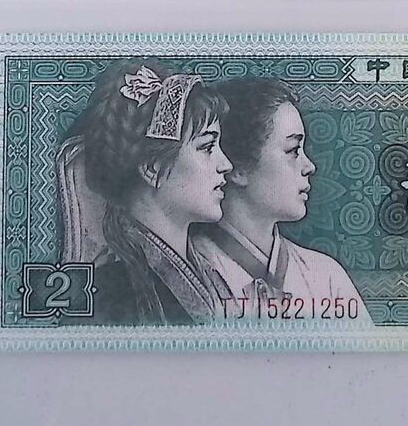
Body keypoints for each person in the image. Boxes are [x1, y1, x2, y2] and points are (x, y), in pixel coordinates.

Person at [57, 61, 235, 325]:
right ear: (152, 168)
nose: (226, 164)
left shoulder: (210, 273)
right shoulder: (109, 293)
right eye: (207, 147)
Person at [192, 78, 370, 325]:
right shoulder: (191, 273)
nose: (309, 166)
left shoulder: (326, 276)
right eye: (293, 150)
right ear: (238, 168)